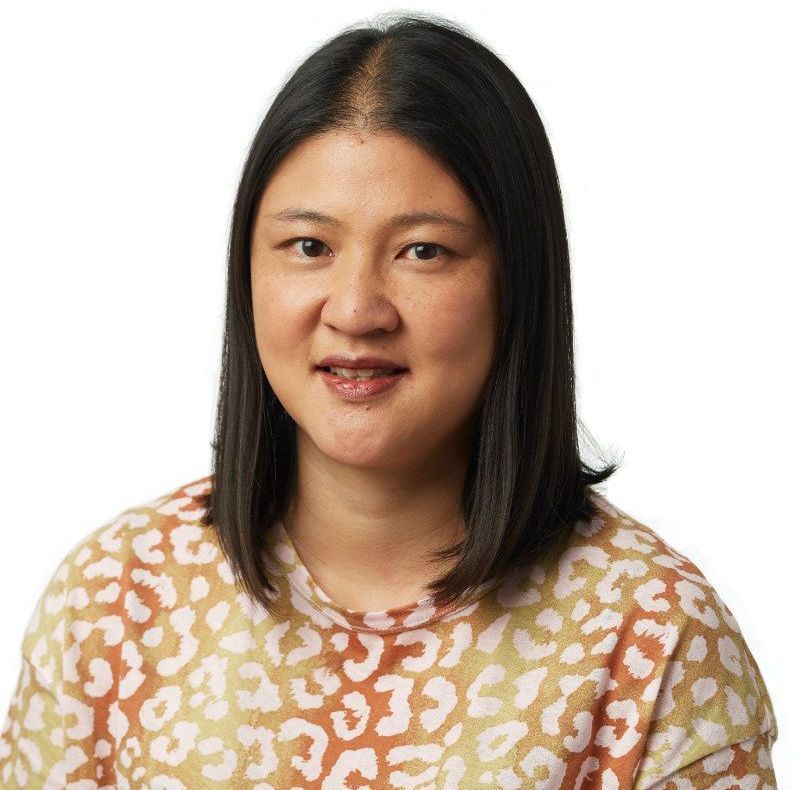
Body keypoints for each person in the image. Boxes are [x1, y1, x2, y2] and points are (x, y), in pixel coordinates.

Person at [0, 12, 778, 789]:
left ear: (518, 283)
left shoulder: (653, 636)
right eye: (310, 247)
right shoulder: (112, 599)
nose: (357, 309)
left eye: (423, 252)